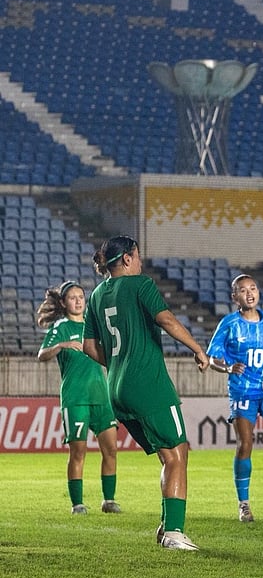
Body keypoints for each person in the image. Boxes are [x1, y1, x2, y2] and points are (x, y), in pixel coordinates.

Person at [81, 236, 209, 551]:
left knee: (170, 456)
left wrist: (116, 362)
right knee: (177, 454)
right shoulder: (140, 285)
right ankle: (175, 533)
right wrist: (197, 350)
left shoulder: (97, 295)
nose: (140, 263)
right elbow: (165, 319)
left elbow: (88, 347)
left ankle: (167, 526)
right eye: (138, 257)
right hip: (148, 384)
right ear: (127, 258)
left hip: (117, 388)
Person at [206, 274, 263, 523]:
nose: (249, 293)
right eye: (242, 290)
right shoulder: (229, 323)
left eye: (253, 288)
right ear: (234, 297)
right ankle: (244, 503)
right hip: (242, 391)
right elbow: (212, 357)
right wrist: (227, 368)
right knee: (246, 443)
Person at [37, 281, 121, 515]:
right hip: (76, 398)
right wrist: (61, 345)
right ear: (64, 303)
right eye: (73, 297)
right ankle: (78, 504)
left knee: (111, 450)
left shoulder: (93, 326)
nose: (78, 301)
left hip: (101, 395)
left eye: (81, 297)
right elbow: (42, 355)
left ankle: (109, 500)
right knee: (78, 451)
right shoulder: (60, 327)